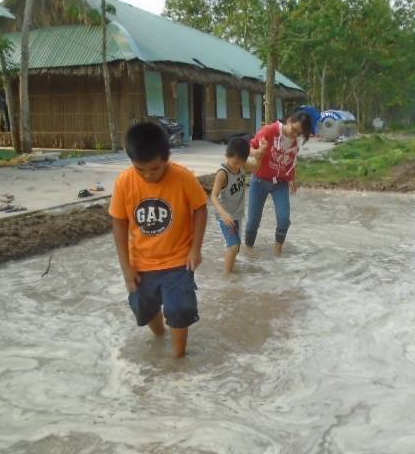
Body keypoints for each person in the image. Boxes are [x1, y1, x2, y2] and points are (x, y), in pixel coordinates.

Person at [109, 122, 208, 359]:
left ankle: (177, 359)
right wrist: (126, 268)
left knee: (179, 309)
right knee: (144, 308)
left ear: (166, 158)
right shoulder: (124, 182)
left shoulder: (183, 178)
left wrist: (195, 249)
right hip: (141, 263)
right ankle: (160, 336)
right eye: (140, 169)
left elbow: (200, 209)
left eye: (154, 169)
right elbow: (119, 224)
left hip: (178, 261)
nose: (147, 175)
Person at [244, 107, 316, 255]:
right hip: (260, 180)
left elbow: (290, 162)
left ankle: (278, 253)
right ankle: (248, 252)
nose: (294, 134)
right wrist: (256, 152)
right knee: (253, 222)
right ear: (289, 120)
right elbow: (250, 146)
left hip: (280, 183)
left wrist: (291, 180)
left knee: (284, 219)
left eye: (299, 133)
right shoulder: (269, 131)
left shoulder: (294, 143)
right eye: (294, 129)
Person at [210, 136, 266, 273]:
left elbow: (255, 168)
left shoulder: (242, 166)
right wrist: (223, 214)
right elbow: (213, 197)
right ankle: (227, 276)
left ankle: (231, 270)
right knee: (233, 246)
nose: (237, 167)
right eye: (235, 163)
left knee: (237, 246)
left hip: (237, 214)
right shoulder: (222, 174)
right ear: (226, 156)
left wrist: (261, 153)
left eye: (241, 163)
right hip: (226, 216)